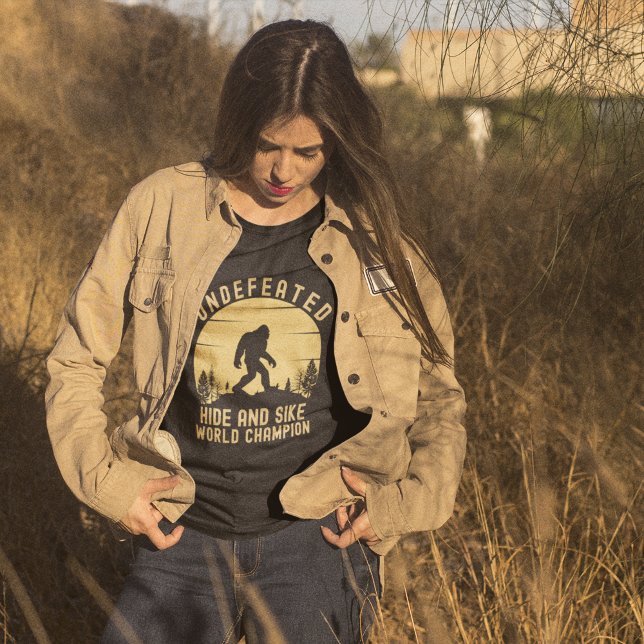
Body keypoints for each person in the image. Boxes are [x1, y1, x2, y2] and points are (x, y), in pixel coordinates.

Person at [45, 19, 466, 644]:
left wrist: (404, 504)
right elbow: (76, 358)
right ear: (240, 121)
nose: (283, 170)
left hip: (320, 538)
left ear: (337, 142)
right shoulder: (161, 207)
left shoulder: (373, 237)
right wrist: (109, 485)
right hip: (183, 533)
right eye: (269, 144)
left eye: (308, 152)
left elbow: (440, 395)